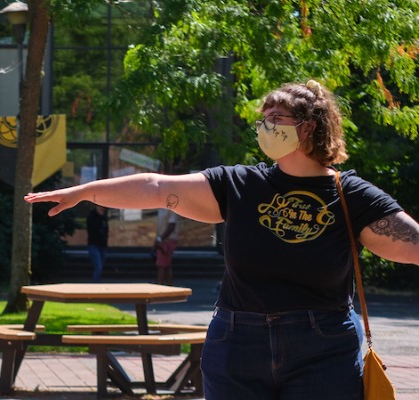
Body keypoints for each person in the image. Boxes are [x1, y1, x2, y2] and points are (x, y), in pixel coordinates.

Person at [25, 80, 419, 399]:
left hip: (322, 346)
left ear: (309, 126)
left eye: (275, 119)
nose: (265, 128)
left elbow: (408, 241)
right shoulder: (239, 183)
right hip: (237, 342)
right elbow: (156, 187)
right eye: (262, 120)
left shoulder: (351, 195)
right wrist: (86, 191)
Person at [154, 208, 179, 286]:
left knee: (161, 265)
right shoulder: (160, 209)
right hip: (162, 239)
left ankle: (160, 287)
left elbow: (171, 225)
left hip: (167, 240)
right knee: (167, 265)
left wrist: (160, 238)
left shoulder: (171, 209)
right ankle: (169, 286)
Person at [86, 205, 109, 282]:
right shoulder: (92, 217)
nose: (101, 208)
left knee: (100, 267)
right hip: (93, 244)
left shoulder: (104, 217)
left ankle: (97, 282)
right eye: (100, 207)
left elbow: (105, 230)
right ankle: (95, 284)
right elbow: (93, 229)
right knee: (98, 266)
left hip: (102, 245)